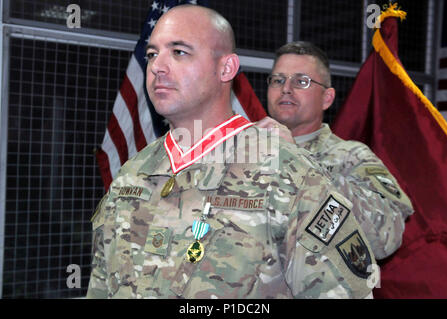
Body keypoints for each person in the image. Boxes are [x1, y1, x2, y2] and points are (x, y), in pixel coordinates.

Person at [87, 5, 377, 299]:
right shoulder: (133, 173)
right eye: (152, 54)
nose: (157, 66)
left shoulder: (288, 174)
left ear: (226, 68)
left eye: (179, 52)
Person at [257, 41, 414, 260]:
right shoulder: (246, 150)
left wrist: (302, 164)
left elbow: (386, 237)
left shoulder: (351, 156)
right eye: (278, 80)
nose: (286, 88)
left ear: (327, 98)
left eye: (301, 81)